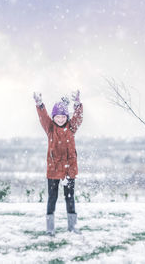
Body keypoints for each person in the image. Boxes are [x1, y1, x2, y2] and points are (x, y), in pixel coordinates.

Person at [33, 90, 83, 236]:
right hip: (54, 169)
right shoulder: (50, 128)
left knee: (70, 198)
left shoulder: (71, 128)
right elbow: (43, 117)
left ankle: (72, 227)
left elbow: (78, 117)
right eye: (57, 116)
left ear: (66, 117)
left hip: (69, 170)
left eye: (63, 116)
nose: (60, 119)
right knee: (52, 198)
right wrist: (40, 105)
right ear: (53, 117)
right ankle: (50, 228)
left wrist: (77, 104)